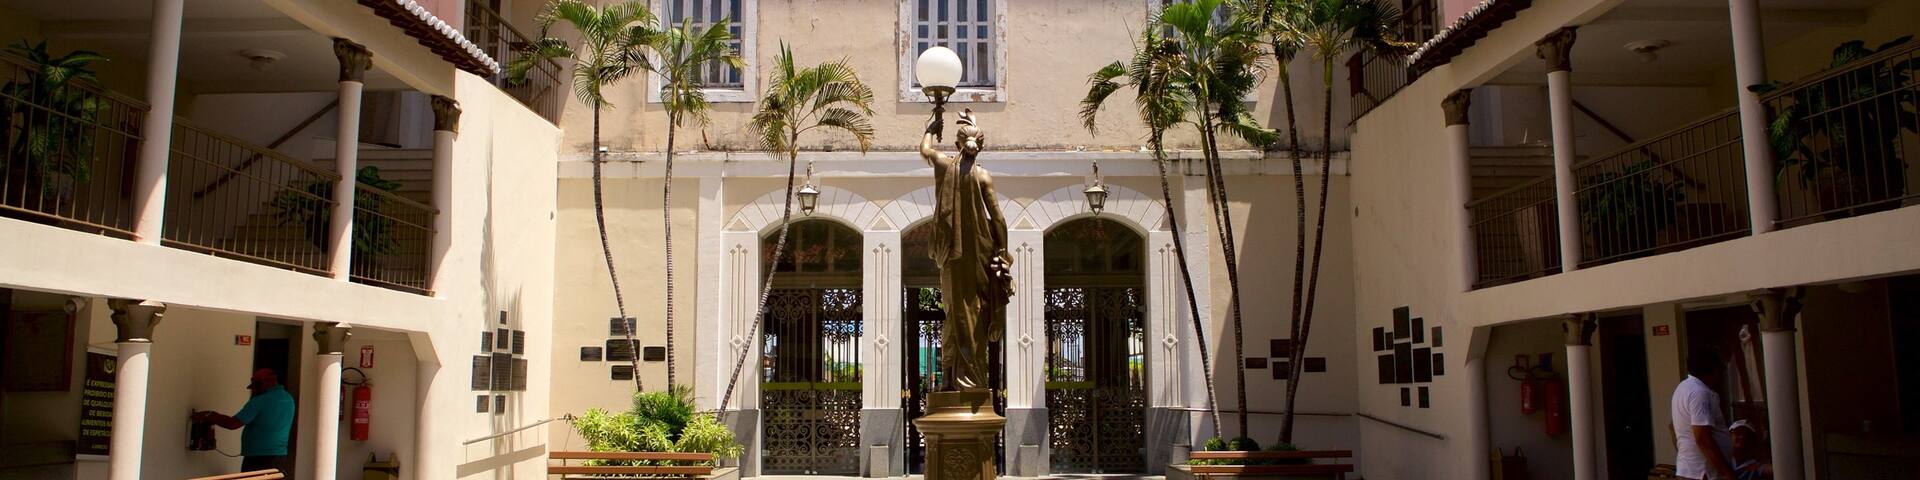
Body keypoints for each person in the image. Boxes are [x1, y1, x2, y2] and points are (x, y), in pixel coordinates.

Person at [919, 108, 1015, 392]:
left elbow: (925, 150)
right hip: (980, 259)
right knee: (974, 316)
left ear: (959, 144)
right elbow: (998, 219)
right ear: (979, 145)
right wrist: (1003, 251)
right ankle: (973, 381)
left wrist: (930, 126)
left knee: (954, 315)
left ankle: (950, 380)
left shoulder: (942, 165)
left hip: (952, 257)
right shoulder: (984, 177)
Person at [193, 368, 297, 477]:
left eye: (256, 386)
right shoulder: (288, 398)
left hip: (259, 458)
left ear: (266, 382)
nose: (254, 391)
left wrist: (210, 415)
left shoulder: (261, 401)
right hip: (279, 457)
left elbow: (232, 424)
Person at [1672, 349, 1737, 479]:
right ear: (1714, 369)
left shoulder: (1683, 388)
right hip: (1702, 472)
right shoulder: (1699, 393)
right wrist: (1727, 472)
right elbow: (1702, 437)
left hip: (1691, 469)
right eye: (1721, 369)